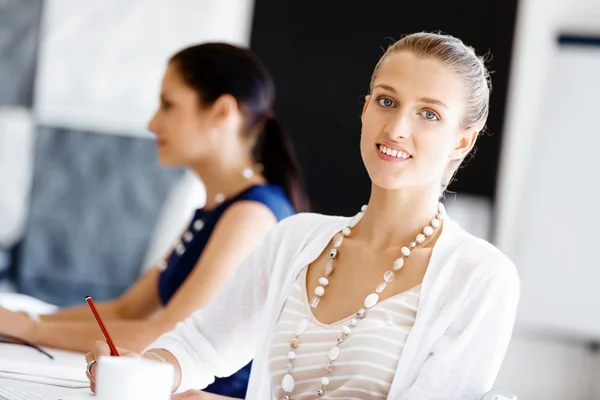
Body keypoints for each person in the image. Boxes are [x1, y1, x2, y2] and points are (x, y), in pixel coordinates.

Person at [86, 32, 520, 400]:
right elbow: (201, 345)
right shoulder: (294, 240)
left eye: (428, 114)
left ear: (462, 141)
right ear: (365, 110)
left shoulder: (481, 277)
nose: (397, 128)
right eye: (387, 102)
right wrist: (141, 371)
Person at [0, 43, 309, 399]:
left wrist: (27, 327)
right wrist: (24, 323)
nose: (152, 123)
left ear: (221, 112)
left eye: (168, 105)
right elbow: (128, 308)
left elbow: (162, 333)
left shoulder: (252, 216)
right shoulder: (217, 208)